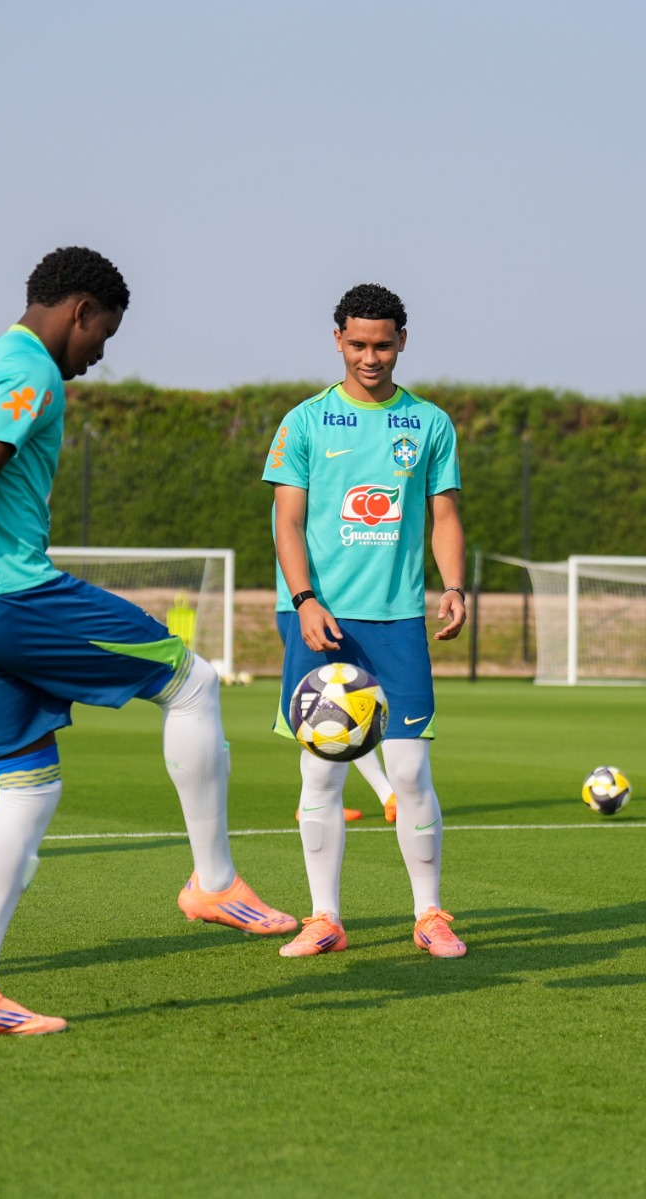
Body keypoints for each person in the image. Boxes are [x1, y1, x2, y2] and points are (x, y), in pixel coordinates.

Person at [0, 246, 295, 1041]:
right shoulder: (32, 370)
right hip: (9, 596)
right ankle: (213, 881)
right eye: (102, 336)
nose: (98, 357)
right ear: (79, 310)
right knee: (194, 681)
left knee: (29, 787)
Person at [264, 282, 469, 959]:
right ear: (338, 341)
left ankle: (430, 913)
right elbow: (286, 521)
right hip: (320, 620)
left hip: (397, 620)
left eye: (383, 344)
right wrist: (304, 600)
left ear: (403, 340)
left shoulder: (430, 423)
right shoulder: (305, 421)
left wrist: (455, 584)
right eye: (358, 344)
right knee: (321, 775)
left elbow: (444, 516)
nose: (370, 356)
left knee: (410, 773)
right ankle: (324, 917)